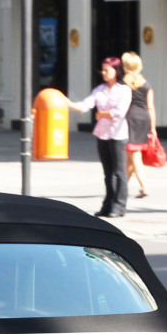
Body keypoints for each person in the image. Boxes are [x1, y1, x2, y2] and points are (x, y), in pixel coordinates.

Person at [67, 57, 132, 217]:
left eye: (107, 70)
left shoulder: (124, 90)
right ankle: (108, 203)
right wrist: (67, 103)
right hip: (102, 133)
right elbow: (85, 105)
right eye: (102, 70)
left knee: (119, 172)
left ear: (116, 71)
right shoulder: (99, 90)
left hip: (118, 134)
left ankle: (119, 205)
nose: (103, 73)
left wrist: (101, 114)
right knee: (108, 172)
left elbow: (119, 112)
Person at [120, 51, 156, 199]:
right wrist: (153, 128)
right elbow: (150, 107)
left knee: (134, 154)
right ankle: (121, 187)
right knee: (130, 156)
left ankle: (144, 186)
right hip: (144, 119)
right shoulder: (146, 84)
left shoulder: (123, 84)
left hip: (130, 119)